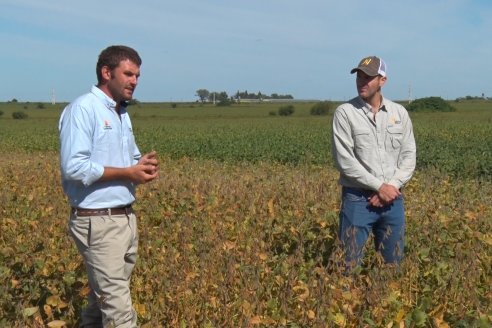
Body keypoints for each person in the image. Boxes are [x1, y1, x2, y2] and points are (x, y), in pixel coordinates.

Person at [59, 45, 159, 327]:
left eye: (137, 75)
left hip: (124, 218)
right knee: (118, 309)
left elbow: (132, 158)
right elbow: (74, 167)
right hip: (98, 222)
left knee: (99, 303)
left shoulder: (121, 114)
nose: (134, 81)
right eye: (128, 74)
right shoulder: (82, 109)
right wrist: (128, 172)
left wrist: (143, 165)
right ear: (106, 72)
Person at [331, 55, 416, 270]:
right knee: (348, 266)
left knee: (391, 266)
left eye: (368, 77)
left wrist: (391, 187)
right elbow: (345, 161)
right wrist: (380, 187)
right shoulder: (345, 113)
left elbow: (409, 156)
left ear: (382, 80)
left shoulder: (399, 113)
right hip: (358, 200)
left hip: (393, 201)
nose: (362, 81)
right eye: (359, 76)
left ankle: (381, 300)